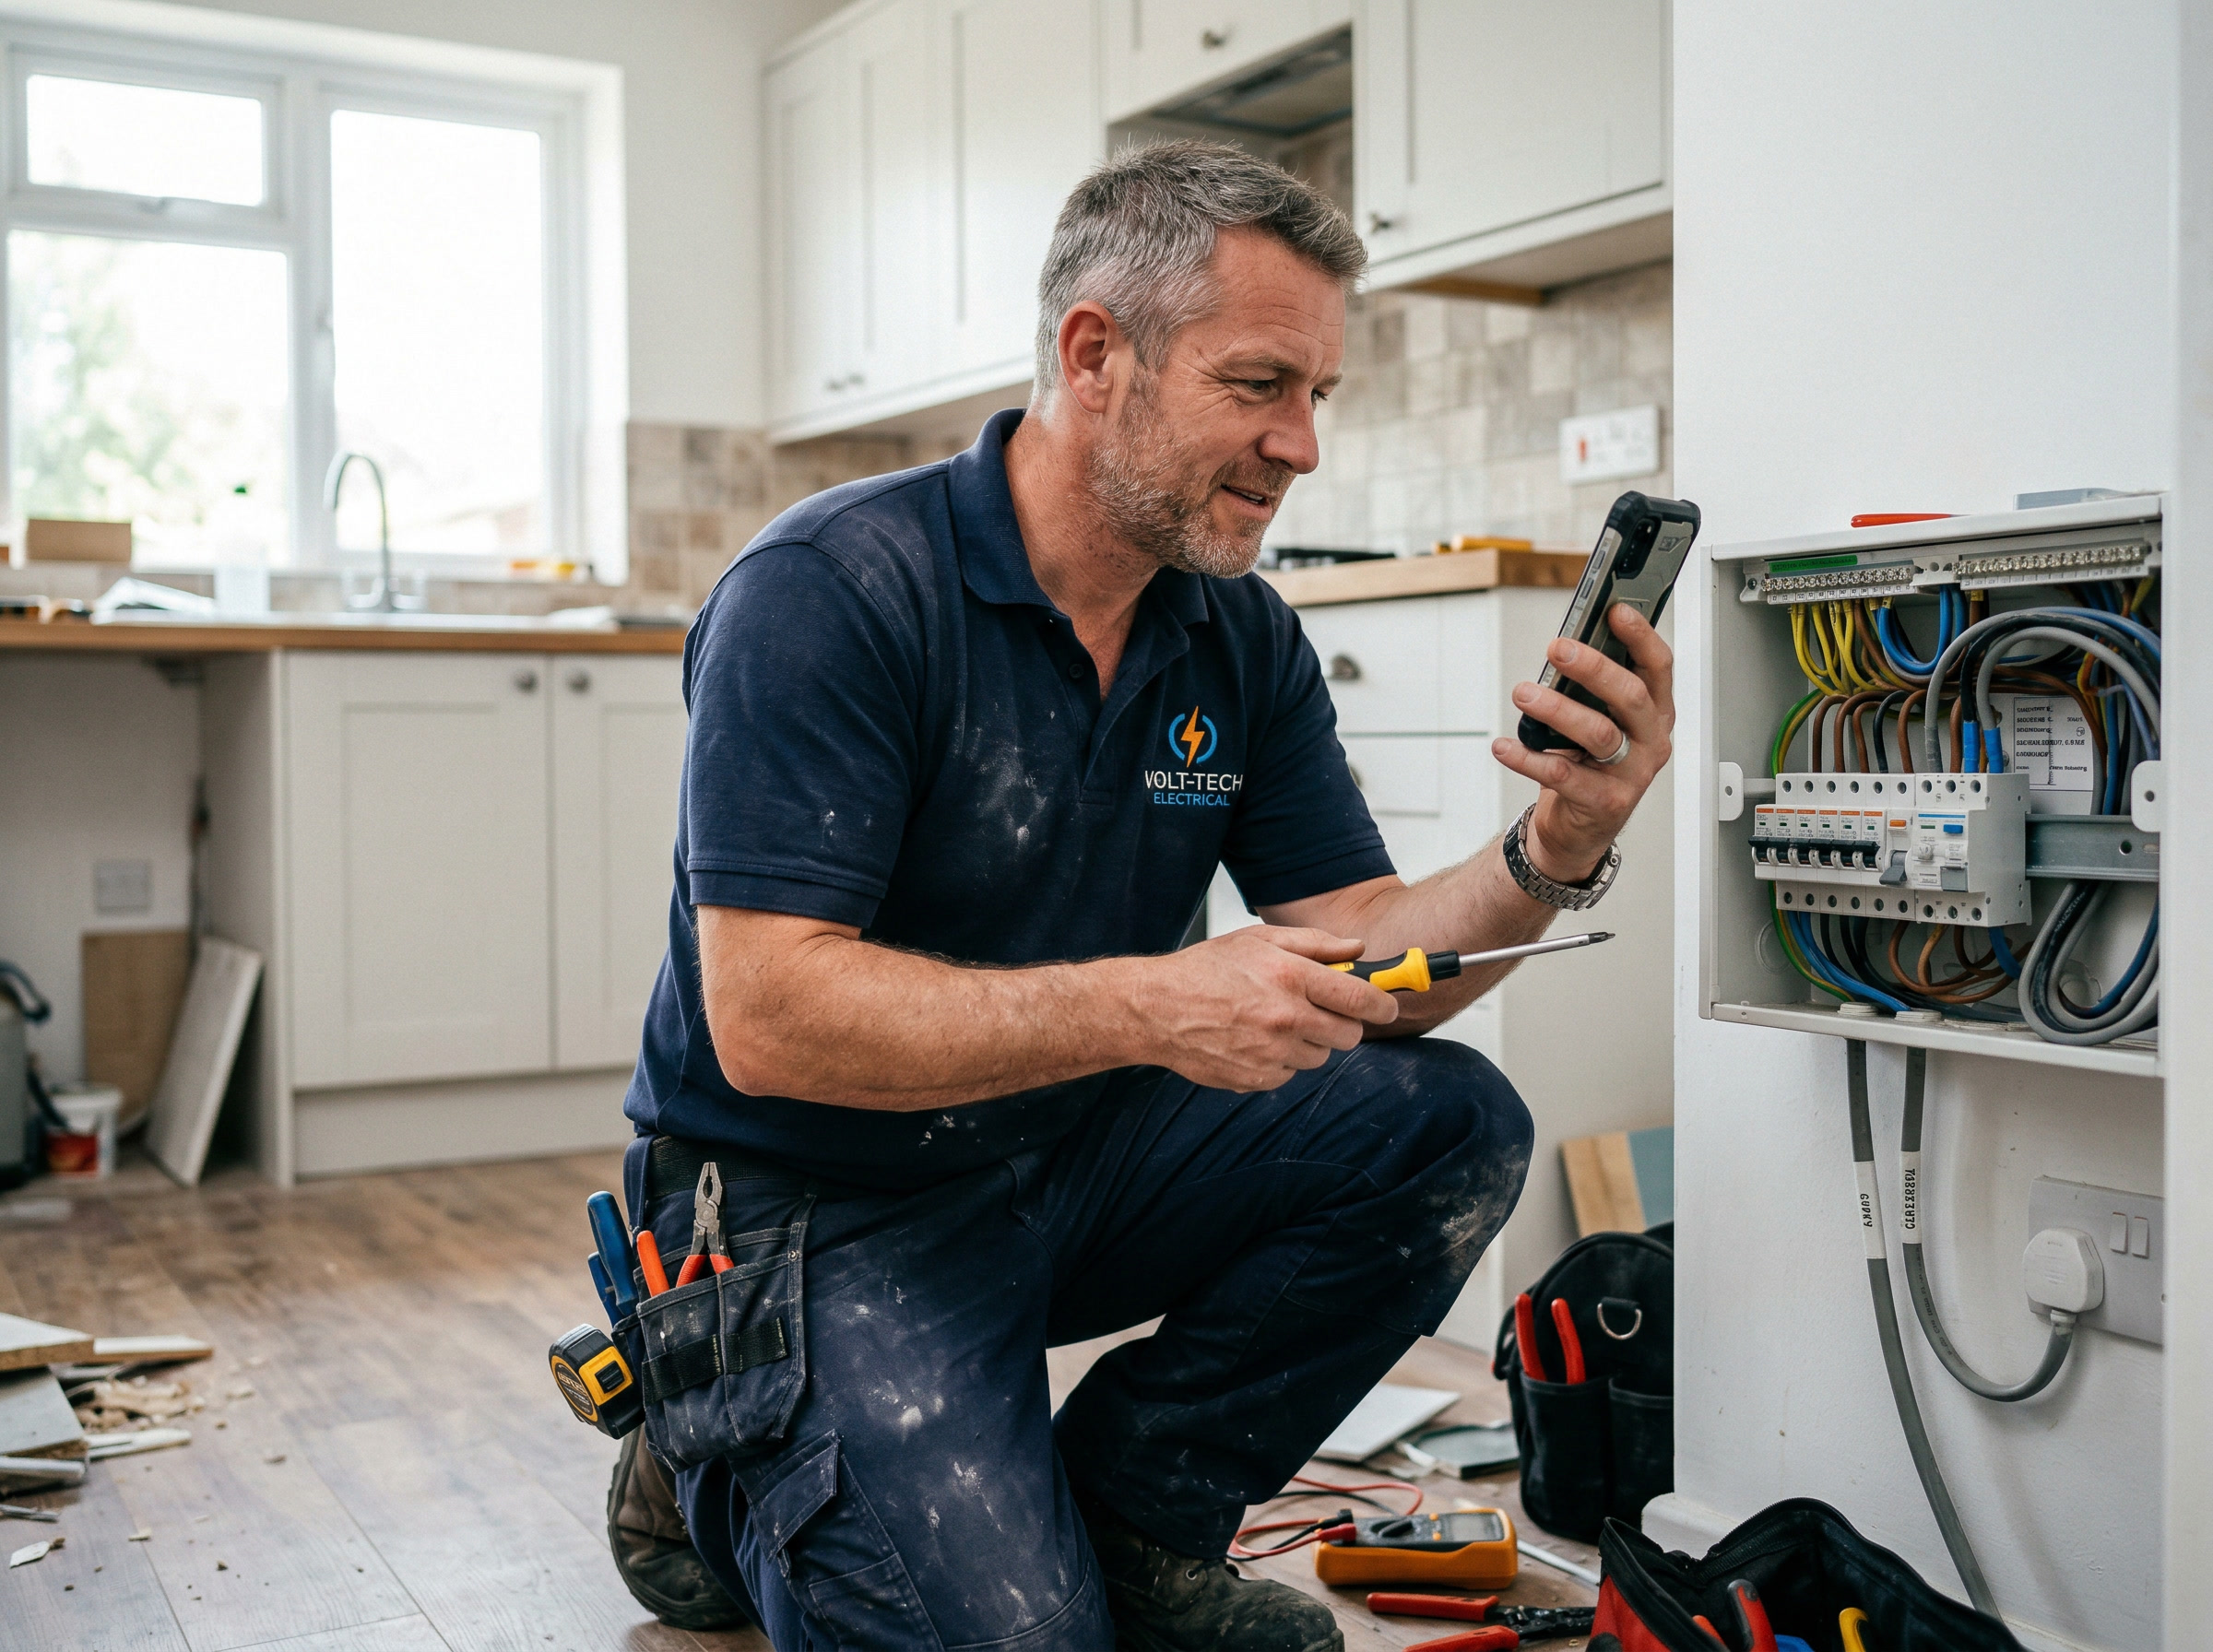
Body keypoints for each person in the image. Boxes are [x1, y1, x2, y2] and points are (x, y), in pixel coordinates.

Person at [610, 139, 1674, 1652]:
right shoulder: (837, 589)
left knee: (1444, 1121)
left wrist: (1552, 850)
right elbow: (768, 1017)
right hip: (813, 1204)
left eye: (1321, 396)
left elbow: (1363, 954)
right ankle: (710, 1433)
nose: (1304, 444)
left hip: (1057, 1146)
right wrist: (1155, 1002)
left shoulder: (1232, 635)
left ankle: (1133, 1515)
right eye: (1260, 386)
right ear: (1095, 356)